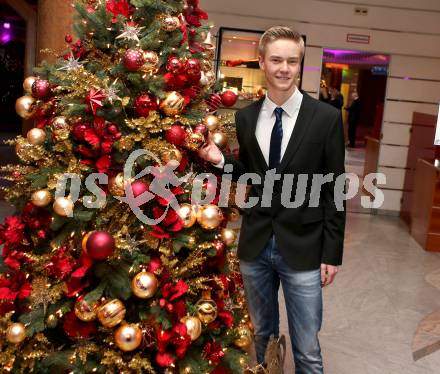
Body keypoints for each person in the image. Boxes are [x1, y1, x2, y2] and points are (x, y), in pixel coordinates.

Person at [198, 26, 345, 373]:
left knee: (307, 348)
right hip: (257, 244)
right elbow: (251, 176)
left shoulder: (325, 118)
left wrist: (331, 252)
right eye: (276, 60)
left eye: (292, 61)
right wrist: (219, 160)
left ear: (300, 65)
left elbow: (334, 189)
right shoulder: (247, 118)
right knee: (261, 338)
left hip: (305, 246)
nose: (284, 68)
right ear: (262, 62)